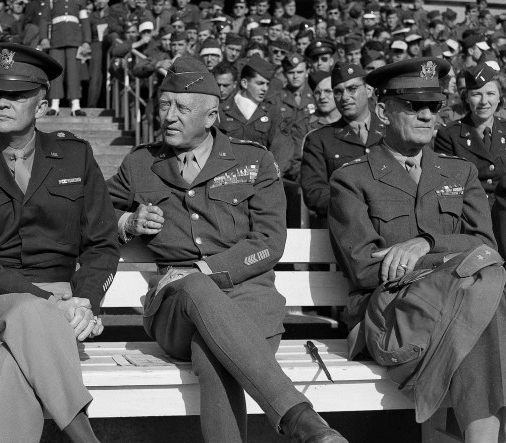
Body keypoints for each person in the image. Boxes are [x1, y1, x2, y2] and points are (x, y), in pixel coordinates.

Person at [106, 55, 347, 443]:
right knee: (193, 287)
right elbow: (94, 212)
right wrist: (127, 222)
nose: (168, 116)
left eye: (181, 108)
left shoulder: (253, 160)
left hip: (249, 298)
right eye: (164, 105)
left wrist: (205, 270)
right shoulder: (140, 163)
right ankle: (301, 420)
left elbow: (269, 242)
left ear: (211, 115)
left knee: (211, 354)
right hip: (174, 308)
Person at [0, 43, 119, 443]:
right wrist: (52, 302)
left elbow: (102, 243)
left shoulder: (75, 156)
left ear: (41, 106)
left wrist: (85, 302)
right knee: (28, 311)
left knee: (13, 366)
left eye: (17, 95)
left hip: (61, 308)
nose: (1, 102)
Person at [329, 57, 506, 442]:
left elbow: (486, 247)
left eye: (434, 105)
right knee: (486, 302)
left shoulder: (460, 172)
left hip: (458, 306)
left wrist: (424, 244)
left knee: (482, 300)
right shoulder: (351, 178)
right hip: (390, 314)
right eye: (414, 106)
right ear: (382, 111)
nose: (427, 115)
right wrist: (452, 261)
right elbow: (366, 268)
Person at [300, 63, 385, 221]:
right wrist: (356, 208)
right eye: (338, 91)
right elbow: (314, 192)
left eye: (352, 89)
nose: (345, 97)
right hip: (344, 224)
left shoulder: (391, 131)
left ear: (368, 90)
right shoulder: (319, 139)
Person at [435, 61, 506, 203]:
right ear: (466, 98)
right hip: (469, 212)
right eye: (476, 94)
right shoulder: (449, 135)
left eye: (491, 93)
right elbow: (448, 190)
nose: (484, 101)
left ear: (500, 97)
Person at [217, 55, 293, 179]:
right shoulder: (223, 110)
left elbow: (282, 149)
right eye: (260, 83)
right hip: (226, 178)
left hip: (261, 178)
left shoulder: (271, 111)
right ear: (245, 83)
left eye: (267, 84)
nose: (265, 89)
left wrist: (271, 178)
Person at [39, 0, 91, 116]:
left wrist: (87, 40)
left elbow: (84, 20)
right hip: (56, 40)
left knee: (74, 73)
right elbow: (44, 19)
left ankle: (75, 106)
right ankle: (54, 106)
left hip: (75, 39)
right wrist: (44, 38)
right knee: (56, 73)